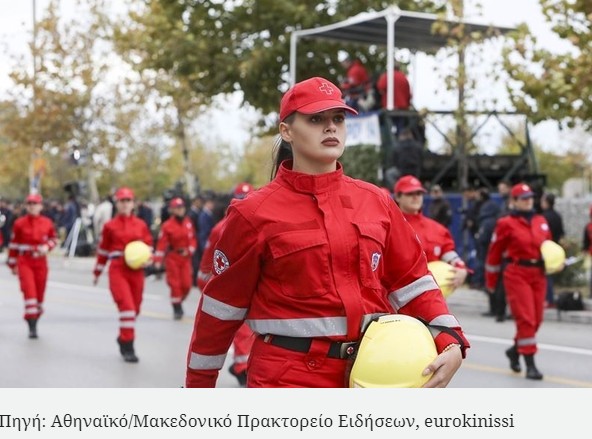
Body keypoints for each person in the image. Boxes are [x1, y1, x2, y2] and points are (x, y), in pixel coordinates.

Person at [185, 76, 469, 388]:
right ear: (287, 131)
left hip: (370, 374)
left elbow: (412, 281)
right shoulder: (253, 213)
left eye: (337, 118)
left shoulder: (377, 202)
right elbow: (221, 309)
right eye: (316, 119)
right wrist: (199, 387)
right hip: (286, 381)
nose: (331, 127)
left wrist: (450, 338)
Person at [485, 183, 550, 380]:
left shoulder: (541, 221)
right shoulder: (506, 223)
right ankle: (530, 365)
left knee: (537, 319)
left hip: (538, 273)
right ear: (513, 201)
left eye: (530, 197)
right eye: (523, 198)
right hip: (517, 273)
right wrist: (491, 281)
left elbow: (548, 248)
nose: (528, 200)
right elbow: (494, 253)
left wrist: (557, 261)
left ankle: (515, 350)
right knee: (526, 319)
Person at [196, 182, 256, 387]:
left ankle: (242, 365)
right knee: (241, 331)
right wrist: (204, 282)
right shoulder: (220, 229)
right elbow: (207, 258)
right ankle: (241, 367)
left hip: (252, 286)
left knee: (250, 331)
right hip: (229, 289)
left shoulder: (261, 225)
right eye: (240, 199)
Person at [92, 187, 153, 363]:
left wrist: (149, 259)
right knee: (127, 308)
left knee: (135, 309)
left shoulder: (141, 225)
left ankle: (123, 337)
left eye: (128, 201)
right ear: (117, 204)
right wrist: (97, 271)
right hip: (118, 270)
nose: (125, 204)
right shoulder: (110, 226)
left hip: (137, 271)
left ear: (133, 203)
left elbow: (149, 246)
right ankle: (128, 345)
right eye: (122, 201)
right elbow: (103, 250)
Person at [393, 175, 469, 291]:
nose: (415, 197)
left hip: (431, 298)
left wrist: (461, 268)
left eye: (418, 193)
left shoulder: (437, 229)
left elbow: (447, 252)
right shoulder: (389, 226)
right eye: (410, 194)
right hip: (395, 296)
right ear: (398, 197)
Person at [6, 193, 58, 339]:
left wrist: (47, 247)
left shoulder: (47, 222)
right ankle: (32, 326)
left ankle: (35, 316)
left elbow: (54, 239)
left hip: (40, 262)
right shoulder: (19, 223)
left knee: (39, 296)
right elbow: (14, 244)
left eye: (35, 204)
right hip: (25, 261)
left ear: (40, 206)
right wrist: (12, 263)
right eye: (29, 204)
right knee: (30, 294)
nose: (32, 207)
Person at [154, 197, 197, 320]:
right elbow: (161, 244)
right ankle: (177, 307)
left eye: (181, 208)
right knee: (175, 284)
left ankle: (179, 300)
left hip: (185, 258)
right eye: (177, 208)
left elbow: (193, 239)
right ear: (172, 210)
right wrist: (157, 262)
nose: (180, 210)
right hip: (173, 257)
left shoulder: (188, 222)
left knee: (187, 284)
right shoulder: (167, 226)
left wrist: (189, 251)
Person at [540, 193, 564, 308]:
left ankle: (548, 298)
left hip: (546, 248)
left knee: (545, 274)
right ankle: (549, 298)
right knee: (550, 274)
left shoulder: (543, 217)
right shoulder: (557, 215)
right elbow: (561, 232)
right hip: (556, 248)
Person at [376, 62, 412, 134]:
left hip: (390, 108)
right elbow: (409, 94)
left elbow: (380, 87)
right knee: (400, 128)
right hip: (402, 108)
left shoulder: (387, 76)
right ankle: (400, 140)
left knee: (387, 128)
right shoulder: (404, 77)